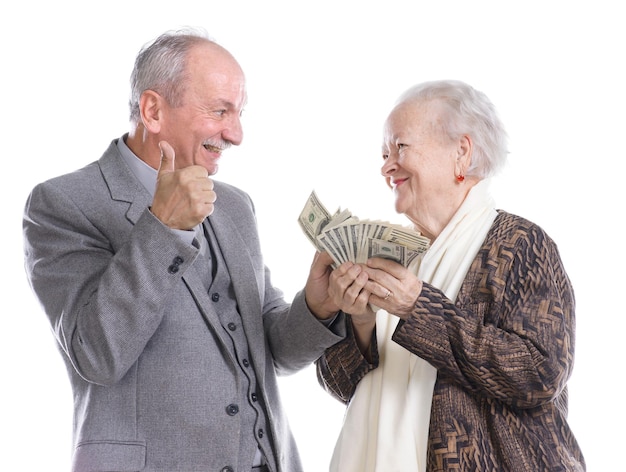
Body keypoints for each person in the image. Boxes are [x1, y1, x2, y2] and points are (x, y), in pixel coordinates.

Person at [22, 28, 344, 472]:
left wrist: (318, 306)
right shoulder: (63, 203)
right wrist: (163, 228)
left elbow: (273, 348)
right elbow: (96, 354)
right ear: (153, 110)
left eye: (239, 113)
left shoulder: (235, 205)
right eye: (220, 111)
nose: (236, 134)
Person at [316, 80, 585, 471]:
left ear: (461, 152)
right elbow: (339, 384)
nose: (386, 166)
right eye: (384, 153)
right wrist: (360, 320)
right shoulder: (397, 256)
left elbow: (539, 373)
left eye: (400, 147)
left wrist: (416, 308)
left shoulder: (520, 243)